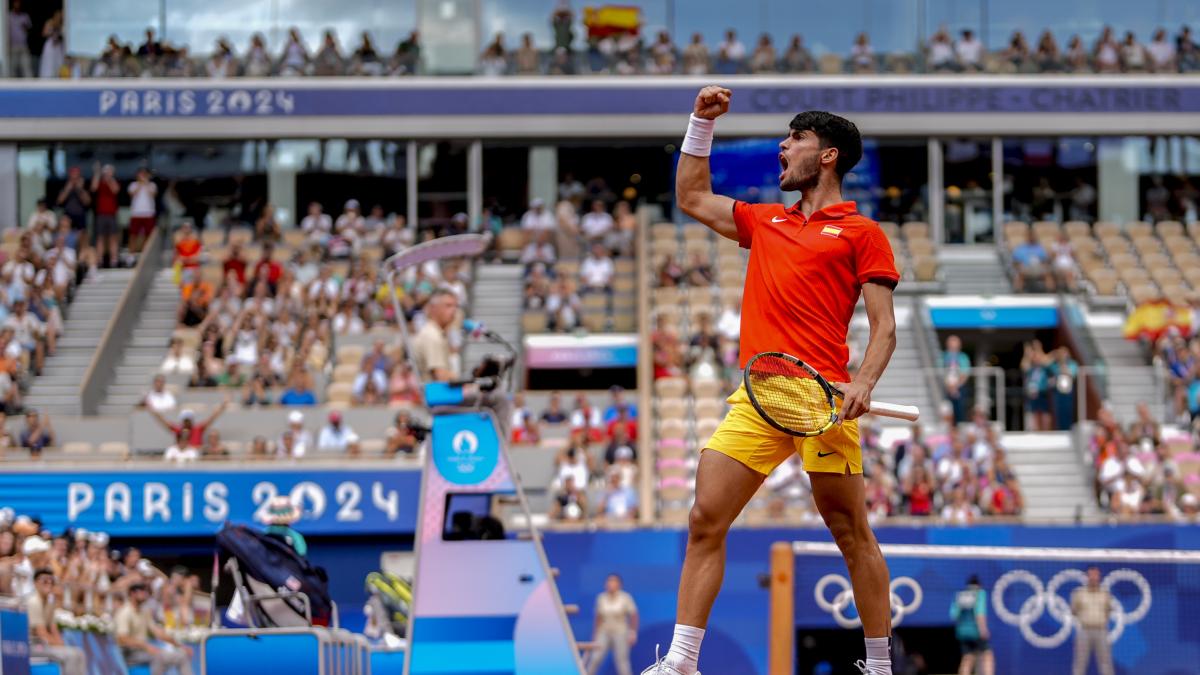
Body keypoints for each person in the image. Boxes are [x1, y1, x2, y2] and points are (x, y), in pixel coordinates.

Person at [645, 87, 901, 675]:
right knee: (705, 517)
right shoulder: (764, 223)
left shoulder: (862, 233)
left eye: (795, 139)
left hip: (825, 401)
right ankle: (683, 660)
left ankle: (880, 665)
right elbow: (690, 196)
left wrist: (862, 382)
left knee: (849, 530)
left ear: (828, 155)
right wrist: (699, 123)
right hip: (760, 395)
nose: (782, 147)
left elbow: (884, 327)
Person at [116, 582, 194, 675]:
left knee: (182, 656)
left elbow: (158, 633)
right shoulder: (125, 612)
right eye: (141, 591)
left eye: (145, 591)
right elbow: (122, 638)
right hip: (130, 653)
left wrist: (180, 646)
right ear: (132, 593)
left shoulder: (144, 611)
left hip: (143, 651)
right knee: (159, 656)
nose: (145, 594)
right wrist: (145, 646)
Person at [588, 573, 639, 675]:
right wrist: (595, 634)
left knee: (622, 661)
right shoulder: (601, 598)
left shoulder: (625, 597)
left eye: (614, 581)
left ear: (619, 584)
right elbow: (598, 617)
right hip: (604, 631)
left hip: (620, 632)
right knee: (595, 658)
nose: (611, 583)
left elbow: (634, 615)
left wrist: (633, 632)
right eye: (609, 581)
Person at [1070, 567, 1114, 675]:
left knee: (1105, 663)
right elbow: (1074, 610)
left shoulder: (1105, 594)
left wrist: (1100, 620)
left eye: (1096, 575)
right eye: (1091, 575)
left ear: (1099, 577)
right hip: (1084, 631)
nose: (1093, 578)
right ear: (1087, 577)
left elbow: (1108, 610)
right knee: (1080, 663)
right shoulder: (1079, 593)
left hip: (1101, 631)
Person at [412, 288, 459, 382]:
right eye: (448, 306)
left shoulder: (436, 332)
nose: (454, 310)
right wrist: (470, 383)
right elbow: (440, 374)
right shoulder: (432, 335)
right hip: (430, 394)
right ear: (433, 308)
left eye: (455, 306)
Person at [950, 575, 993, 675]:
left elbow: (954, 615)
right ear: (979, 585)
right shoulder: (979, 594)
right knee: (987, 656)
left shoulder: (960, 595)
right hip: (976, 631)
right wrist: (983, 629)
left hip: (962, 632)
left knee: (967, 658)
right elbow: (980, 613)